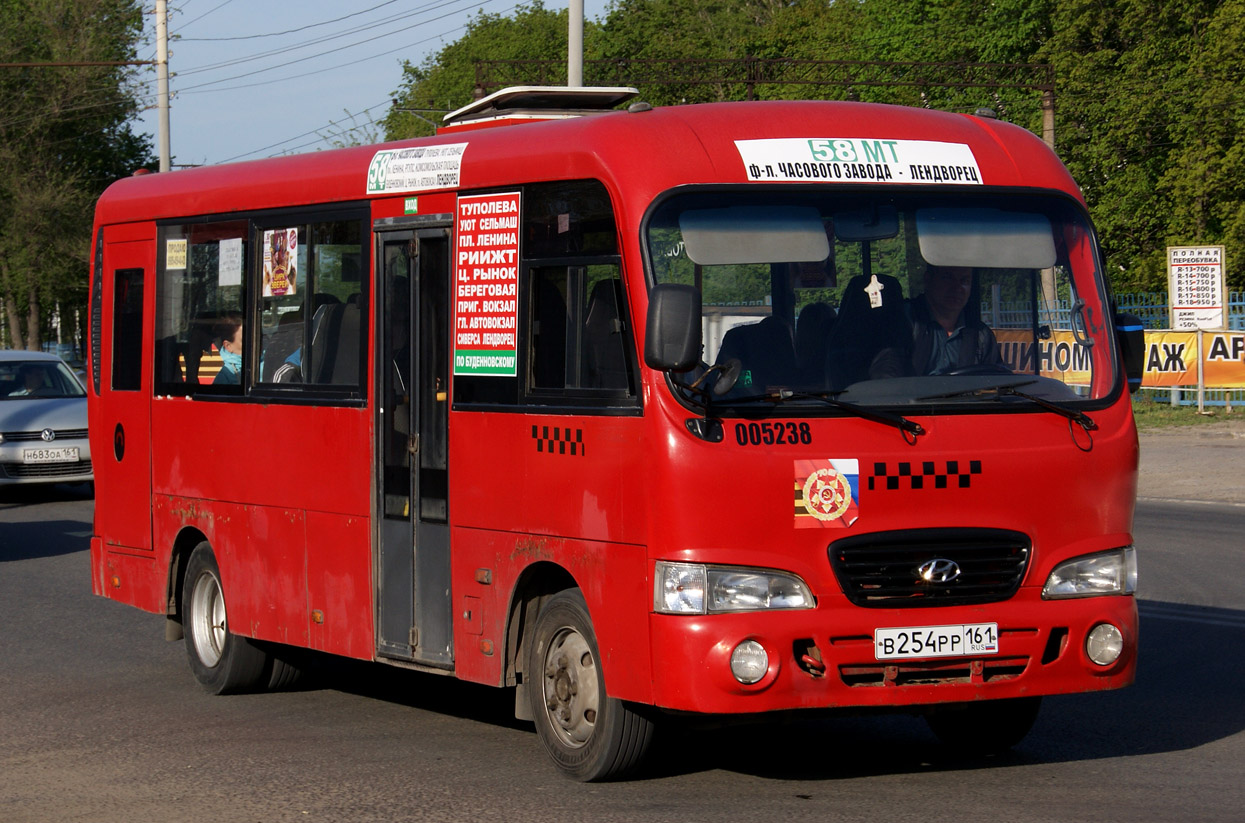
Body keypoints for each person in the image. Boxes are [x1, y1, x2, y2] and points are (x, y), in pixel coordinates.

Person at [907, 264, 1001, 375]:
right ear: (928, 280)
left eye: (964, 281)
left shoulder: (981, 335)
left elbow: (996, 382)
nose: (957, 288)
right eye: (948, 278)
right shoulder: (905, 323)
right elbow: (891, 376)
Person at [212, 312, 244, 384]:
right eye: (244, 340)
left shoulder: (269, 361)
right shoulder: (224, 376)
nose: (252, 343)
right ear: (228, 346)